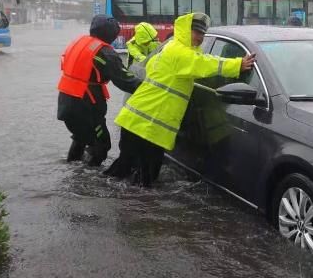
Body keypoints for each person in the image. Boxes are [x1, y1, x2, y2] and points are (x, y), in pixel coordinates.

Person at [105, 12, 256, 187]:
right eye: (196, 32)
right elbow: (205, 63)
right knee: (144, 177)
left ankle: (115, 199)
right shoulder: (180, 53)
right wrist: (237, 65)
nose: (200, 37)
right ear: (185, 31)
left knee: (126, 171)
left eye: (202, 34)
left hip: (139, 121)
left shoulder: (173, 48)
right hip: (146, 124)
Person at [57, 15, 142, 166]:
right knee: (101, 144)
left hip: (65, 100)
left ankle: (72, 168)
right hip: (85, 104)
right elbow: (125, 79)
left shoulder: (79, 41)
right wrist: (149, 87)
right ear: (112, 34)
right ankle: (90, 182)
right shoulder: (104, 52)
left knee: (81, 136)